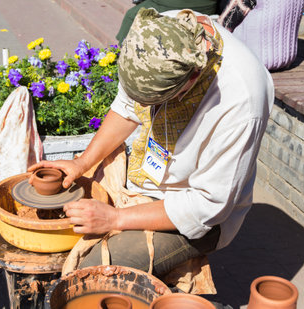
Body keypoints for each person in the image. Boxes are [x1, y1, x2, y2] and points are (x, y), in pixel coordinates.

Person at [29, 8, 274, 279]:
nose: (142, 110)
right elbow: (126, 108)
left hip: (193, 209)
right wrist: (82, 162)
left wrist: (115, 219)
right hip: (146, 178)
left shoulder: (241, 100)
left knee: (96, 271)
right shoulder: (159, 31)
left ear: (191, 78)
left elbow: (208, 206)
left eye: (151, 104)